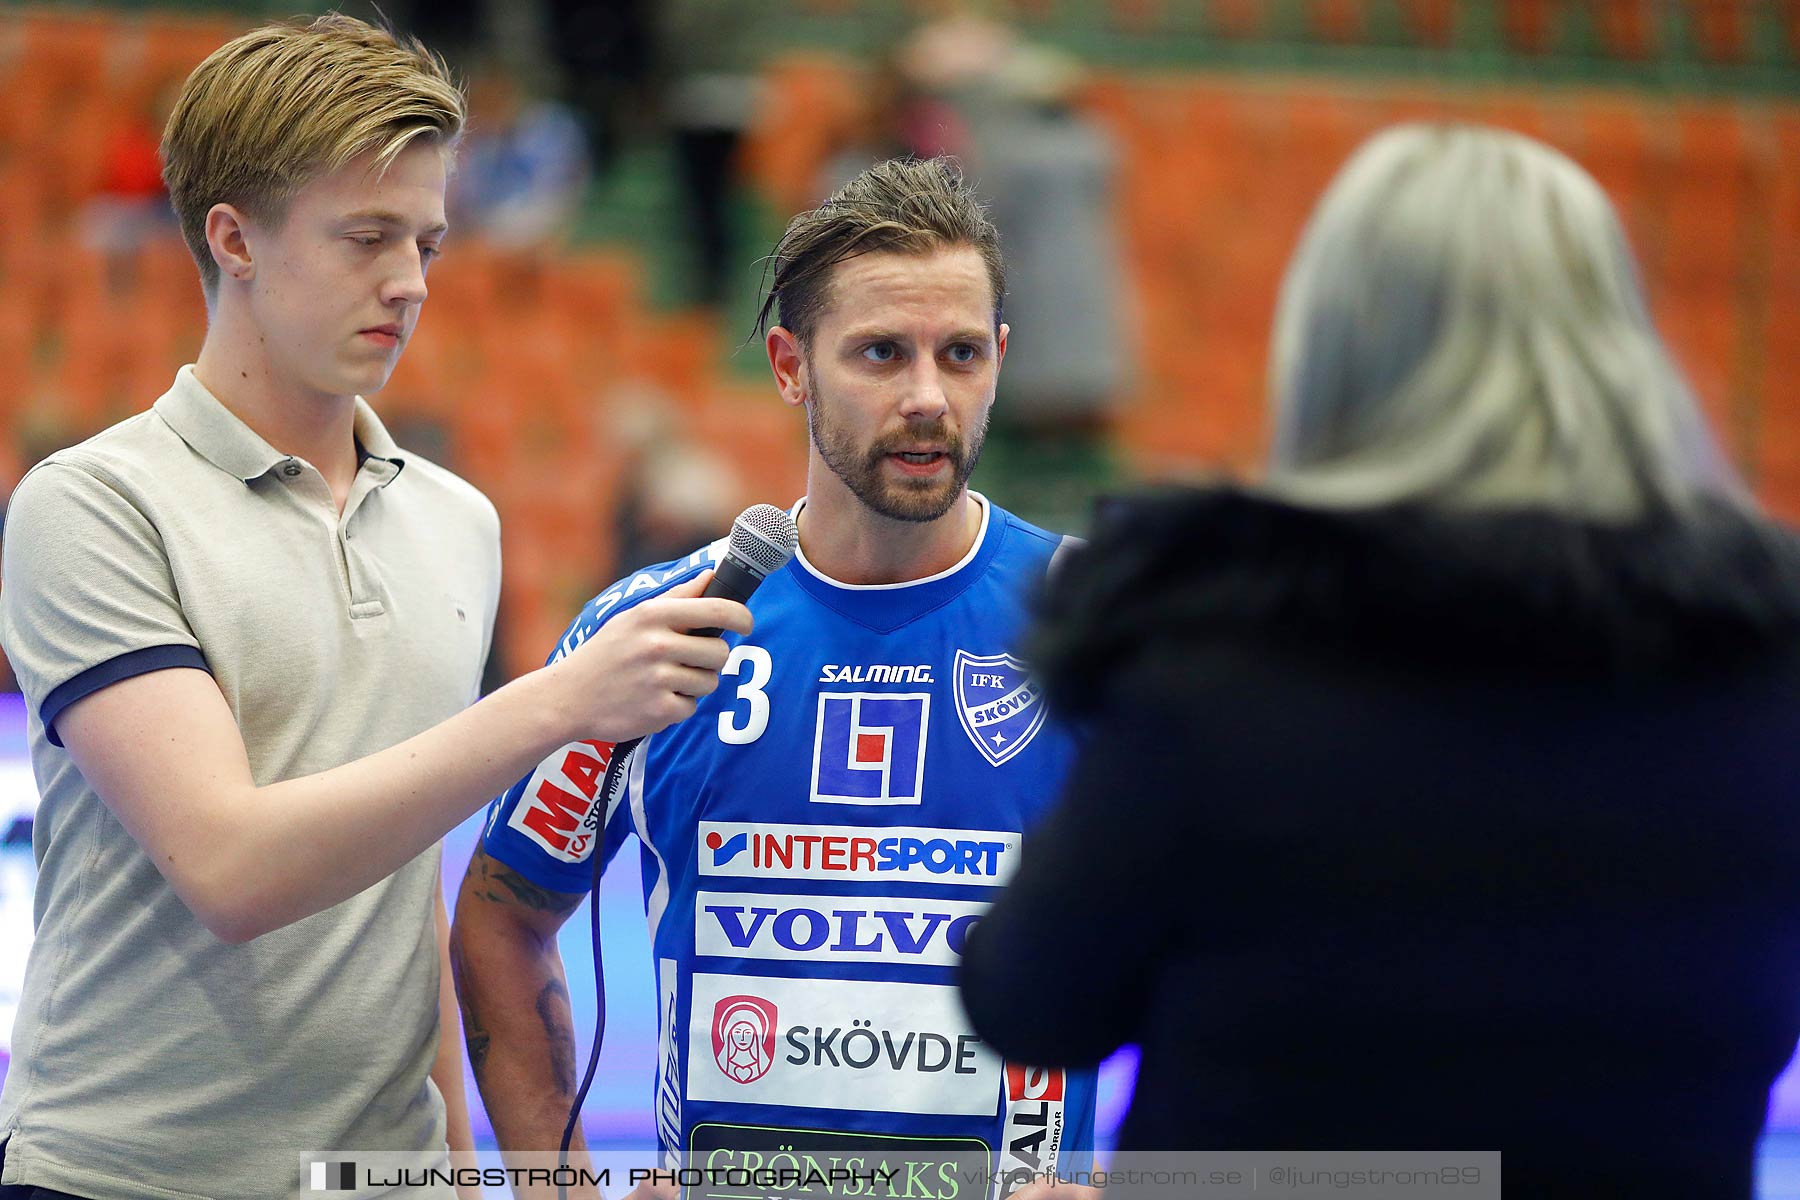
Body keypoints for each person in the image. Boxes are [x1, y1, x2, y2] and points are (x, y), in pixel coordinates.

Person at [959, 123, 1800, 1198]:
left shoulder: (1213, 662)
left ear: (1337, 342)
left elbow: (1034, 1001)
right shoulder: (1763, 664)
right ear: (1620, 338)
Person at [0, 16, 748, 1200]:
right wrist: (559, 702)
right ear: (233, 239)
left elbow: (396, 891)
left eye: (427, 243)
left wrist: (455, 1161)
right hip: (126, 1175)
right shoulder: (88, 507)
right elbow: (232, 870)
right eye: (365, 238)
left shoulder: (460, 522)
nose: (407, 281)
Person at [452, 157, 1097, 1188]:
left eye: (962, 354)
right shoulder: (657, 632)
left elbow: (1253, 926)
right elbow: (501, 914)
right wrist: (558, 1183)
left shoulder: (1098, 625)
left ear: (1002, 360)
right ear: (790, 365)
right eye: (880, 353)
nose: (928, 397)